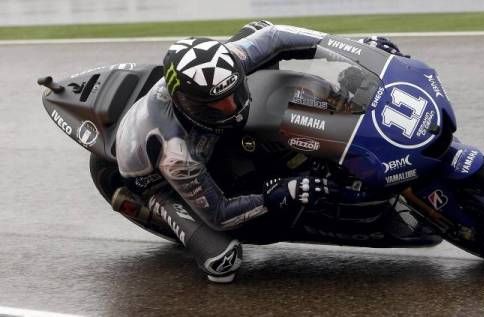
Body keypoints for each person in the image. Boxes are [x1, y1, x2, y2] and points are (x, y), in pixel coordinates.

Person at [113, 21, 419, 283]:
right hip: (154, 180)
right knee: (223, 263)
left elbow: (276, 37)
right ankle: (143, 205)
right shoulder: (178, 155)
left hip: (206, 135)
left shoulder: (227, 62)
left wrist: (358, 52)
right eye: (217, 105)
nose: (230, 107)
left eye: (232, 96)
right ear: (187, 104)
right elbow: (220, 214)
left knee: (258, 28)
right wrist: (282, 192)